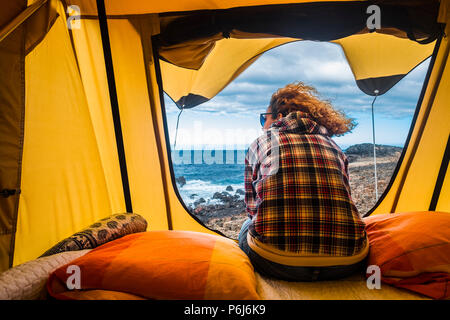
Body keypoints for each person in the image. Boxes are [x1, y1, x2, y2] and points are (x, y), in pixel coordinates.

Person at [239, 82, 368, 281]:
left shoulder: (262, 142)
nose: (263, 124)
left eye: (264, 118)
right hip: (347, 261)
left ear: (279, 117)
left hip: (275, 262)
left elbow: (251, 208)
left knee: (246, 226)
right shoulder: (334, 147)